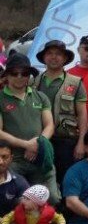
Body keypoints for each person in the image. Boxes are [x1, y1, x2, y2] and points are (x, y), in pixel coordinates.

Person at [0, 53, 56, 200]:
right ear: (7, 75)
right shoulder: (0, 98)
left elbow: (49, 125)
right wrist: (26, 145)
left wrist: (37, 144)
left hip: (41, 157)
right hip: (13, 160)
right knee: (16, 200)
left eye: (24, 73)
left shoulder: (41, 97)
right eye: (14, 73)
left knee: (51, 198)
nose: (19, 77)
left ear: (29, 75)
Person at [34, 40, 88, 185]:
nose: (54, 57)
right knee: (40, 179)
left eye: (58, 54)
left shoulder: (76, 82)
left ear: (65, 58)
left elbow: (82, 115)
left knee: (66, 180)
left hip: (66, 140)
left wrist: (81, 142)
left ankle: (64, 208)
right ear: (44, 57)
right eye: (50, 53)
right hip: (40, 140)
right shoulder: (34, 82)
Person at [0, 141, 30, 224]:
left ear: (11, 158)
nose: (0, 162)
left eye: (4, 157)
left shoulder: (19, 182)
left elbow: (31, 209)